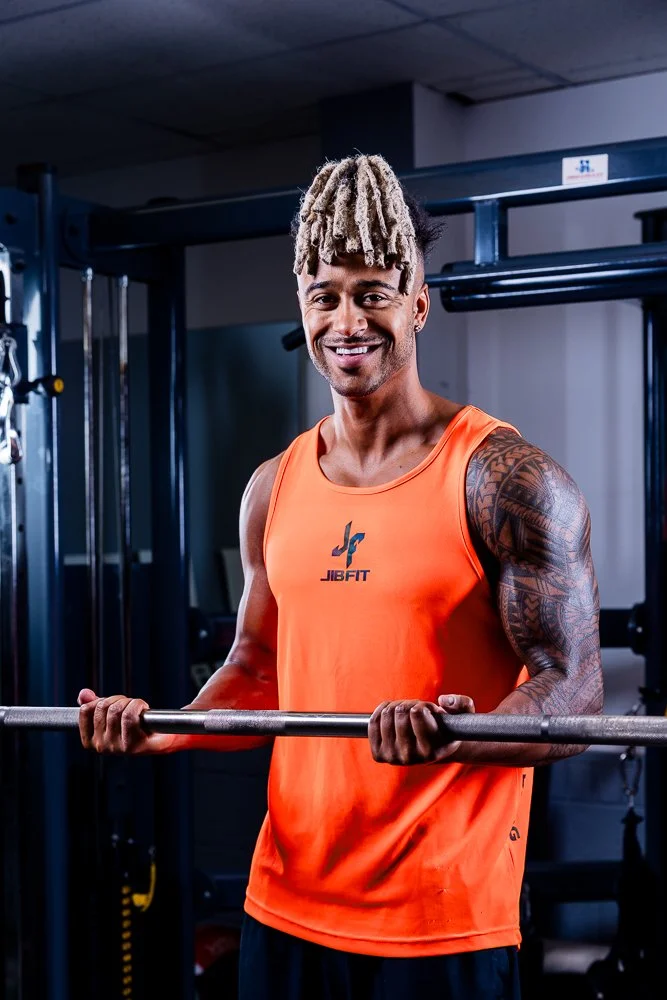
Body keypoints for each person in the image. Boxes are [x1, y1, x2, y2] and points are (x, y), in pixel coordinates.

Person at [78, 153, 604, 1000]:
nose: (346, 320)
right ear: (302, 305)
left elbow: (572, 694)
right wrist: (161, 727)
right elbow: (255, 672)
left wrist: (450, 733)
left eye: (372, 293)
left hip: (439, 922)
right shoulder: (271, 486)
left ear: (419, 305)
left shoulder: (505, 479)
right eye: (324, 294)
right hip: (284, 905)